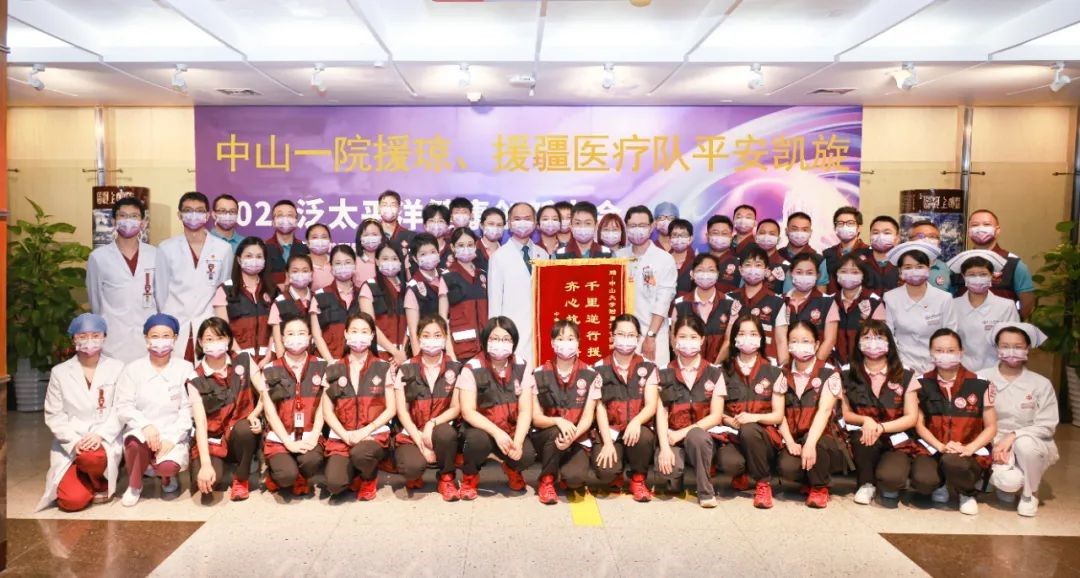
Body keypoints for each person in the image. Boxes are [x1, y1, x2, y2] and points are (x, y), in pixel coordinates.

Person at [37, 314, 125, 512]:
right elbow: (54, 414)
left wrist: (100, 435)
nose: (89, 341)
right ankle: (89, 479)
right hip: (72, 441)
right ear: (73, 339)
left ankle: (99, 479)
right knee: (72, 502)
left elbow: (120, 408)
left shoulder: (117, 368)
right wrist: (74, 441)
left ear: (104, 337)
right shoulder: (59, 372)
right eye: (82, 336)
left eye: (95, 335)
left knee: (91, 458)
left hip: (103, 438)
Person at [911, 329, 997, 515]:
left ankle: (966, 493)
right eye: (939, 350)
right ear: (931, 353)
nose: (945, 355)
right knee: (923, 481)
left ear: (961, 352)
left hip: (967, 451)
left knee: (953, 461)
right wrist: (941, 446)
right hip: (933, 448)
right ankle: (940, 484)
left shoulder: (981, 384)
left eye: (951, 350)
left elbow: (991, 427)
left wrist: (969, 448)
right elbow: (919, 425)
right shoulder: (920, 383)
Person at [980, 322, 1058, 517]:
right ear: (997, 348)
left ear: (1028, 348)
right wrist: (992, 445)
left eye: (1018, 346)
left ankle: (1030, 494)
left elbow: (1047, 425)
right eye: (1005, 346)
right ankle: (1002, 480)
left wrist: (1014, 435)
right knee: (1009, 482)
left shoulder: (1041, 384)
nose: (1011, 351)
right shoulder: (982, 378)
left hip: (1031, 442)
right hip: (994, 443)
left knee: (1024, 445)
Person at [115, 313, 194, 507]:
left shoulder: (185, 368)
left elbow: (188, 409)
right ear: (146, 338)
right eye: (155, 336)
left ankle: (167, 477)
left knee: (168, 466)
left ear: (175, 338)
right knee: (134, 444)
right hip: (142, 431)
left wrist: (172, 438)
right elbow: (124, 405)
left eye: (166, 336)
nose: (160, 341)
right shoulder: (132, 369)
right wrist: (145, 425)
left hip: (172, 431)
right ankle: (134, 485)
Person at [840, 321, 920, 505]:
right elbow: (846, 413)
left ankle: (887, 481)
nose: (873, 342)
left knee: (892, 479)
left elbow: (911, 417)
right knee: (863, 436)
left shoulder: (906, 374)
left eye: (878, 337)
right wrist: (865, 420)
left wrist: (881, 427)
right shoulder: (846, 373)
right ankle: (866, 484)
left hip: (897, 439)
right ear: (858, 343)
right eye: (867, 337)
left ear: (889, 342)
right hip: (865, 437)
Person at [457, 317, 537, 498]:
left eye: (506, 339)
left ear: (514, 342)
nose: (500, 343)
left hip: (510, 430)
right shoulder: (472, 367)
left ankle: (511, 468)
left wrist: (518, 442)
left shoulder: (522, 366)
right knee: (477, 442)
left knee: (527, 455)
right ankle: (470, 476)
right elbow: (468, 411)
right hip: (483, 430)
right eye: (495, 338)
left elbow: (525, 410)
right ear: (486, 340)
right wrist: (497, 433)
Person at [321, 312, 396, 501]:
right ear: (346, 333)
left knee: (362, 453)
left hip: (372, 435)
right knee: (334, 484)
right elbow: (327, 411)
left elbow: (391, 409)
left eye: (364, 331)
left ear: (372, 335)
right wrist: (345, 435)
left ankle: (368, 478)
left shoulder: (383, 367)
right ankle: (356, 472)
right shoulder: (333, 368)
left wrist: (365, 431)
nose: (359, 336)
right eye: (354, 331)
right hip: (342, 436)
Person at [654, 315, 726, 508]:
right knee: (669, 469)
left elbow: (716, 416)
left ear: (702, 340)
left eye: (693, 337)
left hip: (702, 438)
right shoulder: (663, 372)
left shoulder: (714, 372)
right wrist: (665, 447)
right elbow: (661, 413)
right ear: (674, 340)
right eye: (682, 337)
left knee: (696, 436)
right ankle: (676, 478)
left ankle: (705, 492)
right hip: (672, 437)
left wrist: (682, 433)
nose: (688, 342)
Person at [187, 318, 261, 502]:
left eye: (220, 337)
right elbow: (201, 423)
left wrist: (255, 414)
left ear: (228, 339)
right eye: (209, 339)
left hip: (238, 432)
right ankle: (216, 464)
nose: (215, 343)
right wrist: (205, 464)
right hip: (213, 439)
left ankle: (241, 478)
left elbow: (264, 392)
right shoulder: (195, 378)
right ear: (200, 342)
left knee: (246, 430)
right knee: (209, 484)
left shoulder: (244, 360)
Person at [717, 315, 786, 509]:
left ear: (762, 338)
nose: (747, 338)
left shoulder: (773, 372)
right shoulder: (722, 371)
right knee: (729, 463)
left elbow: (778, 415)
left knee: (749, 429)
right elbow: (716, 411)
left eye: (753, 334)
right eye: (742, 333)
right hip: (733, 435)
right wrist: (728, 420)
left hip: (764, 437)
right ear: (734, 338)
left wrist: (753, 418)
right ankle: (746, 472)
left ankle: (763, 484)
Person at [155, 191, 233, 362]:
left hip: (209, 323)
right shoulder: (166, 248)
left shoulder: (223, 249)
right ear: (179, 215)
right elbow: (160, 293)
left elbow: (223, 291)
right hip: (175, 322)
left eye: (199, 210)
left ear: (207, 216)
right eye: (188, 210)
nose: (193, 215)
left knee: (207, 372)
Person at [393, 315, 464, 501]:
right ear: (418, 338)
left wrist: (432, 423)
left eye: (437, 335)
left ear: (445, 337)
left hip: (441, 429)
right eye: (426, 335)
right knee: (411, 467)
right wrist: (420, 442)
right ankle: (414, 475)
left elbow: (456, 408)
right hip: (412, 432)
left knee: (446, 434)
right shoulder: (406, 368)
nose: (432, 340)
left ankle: (447, 477)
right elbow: (402, 411)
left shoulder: (456, 368)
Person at [777, 321, 848, 508]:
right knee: (786, 466)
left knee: (816, 445)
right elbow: (779, 413)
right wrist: (789, 442)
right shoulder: (781, 372)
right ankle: (808, 478)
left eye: (805, 341)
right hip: (795, 438)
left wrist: (809, 443)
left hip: (824, 438)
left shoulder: (829, 372)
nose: (799, 345)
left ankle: (819, 487)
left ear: (816, 344)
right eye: (794, 341)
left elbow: (825, 411)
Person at [531, 320, 602, 504]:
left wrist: (572, 436)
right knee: (557, 431)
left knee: (575, 479)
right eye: (560, 339)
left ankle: (561, 470)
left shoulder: (591, 375)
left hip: (576, 438)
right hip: (547, 436)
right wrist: (558, 421)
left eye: (571, 339)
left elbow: (587, 418)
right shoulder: (538, 374)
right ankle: (547, 481)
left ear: (578, 343)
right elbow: (536, 418)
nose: (566, 343)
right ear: (552, 343)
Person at [592, 315, 659, 502]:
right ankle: (616, 473)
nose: (625, 339)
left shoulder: (648, 367)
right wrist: (607, 442)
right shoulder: (598, 368)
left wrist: (636, 421)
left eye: (631, 335)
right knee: (605, 471)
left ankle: (638, 479)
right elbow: (599, 408)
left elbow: (651, 404)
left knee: (644, 436)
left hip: (637, 431)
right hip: (611, 431)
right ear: (612, 337)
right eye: (621, 334)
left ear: (638, 338)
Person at [258, 315, 327, 496]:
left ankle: (301, 475)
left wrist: (315, 435)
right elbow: (270, 412)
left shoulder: (322, 366)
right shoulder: (270, 369)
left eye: (301, 333)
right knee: (286, 476)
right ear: (282, 338)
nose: (296, 337)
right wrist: (288, 442)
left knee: (312, 461)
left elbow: (324, 406)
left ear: (310, 337)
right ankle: (277, 474)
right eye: (290, 333)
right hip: (281, 436)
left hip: (310, 433)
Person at [86, 197, 158, 363]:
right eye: (123, 216)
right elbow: (95, 302)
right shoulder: (98, 257)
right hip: (113, 343)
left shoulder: (155, 254)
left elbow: (161, 298)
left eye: (134, 216)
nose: (128, 221)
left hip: (148, 341)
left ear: (143, 223)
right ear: (113, 221)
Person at [883, 242, 959, 374]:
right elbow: (888, 335)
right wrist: (900, 364)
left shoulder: (944, 298)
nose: (914, 271)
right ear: (900, 271)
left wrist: (938, 362)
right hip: (902, 365)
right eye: (908, 267)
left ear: (928, 269)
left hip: (937, 365)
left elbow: (950, 335)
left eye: (919, 266)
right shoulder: (890, 297)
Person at [488, 202, 548, 366]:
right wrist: (497, 336)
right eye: (517, 219)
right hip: (511, 331)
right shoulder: (498, 257)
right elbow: (494, 302)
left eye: (527, 218)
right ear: (509, 223)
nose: (522, 222)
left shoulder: (542, 254)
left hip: (538, 333)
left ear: (535, 223)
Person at [617, 205, 678, 366]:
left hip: (652, 336)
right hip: (622, 335)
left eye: (642, 225)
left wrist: (650, 336)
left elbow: (663, 302)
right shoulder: (618, 257)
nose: (637, 230)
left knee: (653, 378)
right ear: (626, 227)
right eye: (632, 225)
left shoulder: (664, 259)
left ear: (652, 227)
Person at [948, 252, 1019, 371]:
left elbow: (1013, 344)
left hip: (996, 371)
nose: (978, 279)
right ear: (963, 276)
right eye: (972, 275)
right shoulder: (952, 305)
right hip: (960, 371)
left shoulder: (1006, 306)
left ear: (992, 276)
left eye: (983, 274)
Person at [212, 237, 276, 365]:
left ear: (265, 260)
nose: (254, 260)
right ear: (239, 260)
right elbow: (223, 331)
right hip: (236, 361)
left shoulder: (273, 290)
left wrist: (269, 357)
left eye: (259, 256)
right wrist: (243, 359)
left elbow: (276, 330)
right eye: (249, 256)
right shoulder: (225, 290)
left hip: (268, 362)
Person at [965, 209, 1035, 319]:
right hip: (965, 326)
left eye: (986, 224)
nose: (980, 228)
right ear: (968, 231)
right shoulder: (959, 263)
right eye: (975, 225)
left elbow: (1027, 303)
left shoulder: (1014, 263)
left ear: (997, 230)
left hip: (1003, 326)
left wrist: (1013, 323)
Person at [726, 245, 788, 365]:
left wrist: (783, 369)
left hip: (766, 367)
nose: (753, 269)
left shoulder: (777, 302)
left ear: (766, 271)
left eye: (758, 265)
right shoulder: (729, 299)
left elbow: (781, 341)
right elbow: (726, 339)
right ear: (740, 270)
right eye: (748, 265)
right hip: (734, 366)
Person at [669, 254, 735, 363]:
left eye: (711, 270)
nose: (705, 274)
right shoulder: (680, 304)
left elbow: (729, 341)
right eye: (700, 270)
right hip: (686, 366)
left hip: (719, 367)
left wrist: (713, 368)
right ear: (692, 274)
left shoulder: (730, 304)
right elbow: (673, 337)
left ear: (718, 274)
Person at [832, 254, 886, 366]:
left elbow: (880, 338)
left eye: (855, 272)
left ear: (863, 275)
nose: (849, 276)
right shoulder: (830, 301)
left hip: (865, 364)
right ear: (836, 274)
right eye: (843, 271)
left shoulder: (874, 302)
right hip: (836, 364)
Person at [360, 244, 410, 364]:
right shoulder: (369, 286)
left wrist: (402, 352)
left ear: (401, 262)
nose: (390, 262)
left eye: (394, 258)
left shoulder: (408, 288)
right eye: (385, 259)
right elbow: (369, 325)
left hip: (405, 355)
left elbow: (411, 325)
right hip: (378, 355)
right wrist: (395, 352)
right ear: (377, 261)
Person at [443, 227, 488, 362]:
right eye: (461, 245)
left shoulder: (483, 275)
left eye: (470, 245)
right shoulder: (447, 276)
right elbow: (442, 319)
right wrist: (450, 353)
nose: (466, 249)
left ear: (475, 246)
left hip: (486, 349)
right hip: (461, 351)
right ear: (452, 247)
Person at [784, 253, 839, 361]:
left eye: (809, 273)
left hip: (817, 364)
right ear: (790, 274)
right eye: (799, 272)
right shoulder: (780, 300)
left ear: (817, 275)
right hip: (786, 363)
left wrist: (814, 366)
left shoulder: (827, 302)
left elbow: (830, 340)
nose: (804, 276)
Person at [405, 233, 451, 357]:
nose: (429, 256)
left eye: (432, 252)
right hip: (428, 349)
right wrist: (417, 362)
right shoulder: (413, 287)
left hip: (452, 344)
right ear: (415, 259)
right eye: (423, 254)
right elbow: (413, 332)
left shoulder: (448, 276)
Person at [313, 245, 361, 361]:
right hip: (327, 361)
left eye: (347, 262)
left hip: (357, 361)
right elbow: (317, 336)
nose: (343, 267)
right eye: (338, 263)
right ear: (331, 267)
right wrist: (331, 362)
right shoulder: (319, 296)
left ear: (355, 265)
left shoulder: (363, 295)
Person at [269, 254, 320, 358]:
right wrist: (283, 364)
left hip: (316, 359)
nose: (300, 274)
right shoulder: (279, 303)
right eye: (295, 271)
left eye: (305, 271)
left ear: (311, 274)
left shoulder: (319, 299)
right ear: (287, 275)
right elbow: (278, 341)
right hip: (287, 360)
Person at [822, 206, 870, 293]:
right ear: (835, 228)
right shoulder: (827, 254)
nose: (845, 226)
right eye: (840, 223)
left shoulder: (869, 253)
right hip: (833, 300)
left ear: (859, 227)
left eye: (850, 223)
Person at [778, 211, 827, 293]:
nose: (799, 233)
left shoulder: (819, 260)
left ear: (810, 233)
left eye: (804, 230)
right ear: (786, 231)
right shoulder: (778, 255)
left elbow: (821, 294)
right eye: (794, 229)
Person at [264, 200, 309, 286]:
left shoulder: (305, 250)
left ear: (296, 222)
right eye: (280, 215)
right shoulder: (263, 249)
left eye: (290, 215)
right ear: (273, 222)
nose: (285, 219)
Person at [906, 220, 951, 292]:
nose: (926, 240)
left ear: (939, 242)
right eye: (920, 236)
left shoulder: (945, 268)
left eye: (932, 236)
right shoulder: (901, 268)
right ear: (909, 241)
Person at [704, 215, 741, 293]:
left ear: (731, 237)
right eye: (715, 233)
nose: (720, 237)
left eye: (724, 233)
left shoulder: (740, 264)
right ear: (707, 236)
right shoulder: (698, 262)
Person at [864, 216, 901, 295]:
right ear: (870, 236)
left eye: (887, 233)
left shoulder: (904, 263)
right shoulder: (858, 262)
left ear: (897, 238)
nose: (880, 236)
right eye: (875, 233)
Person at [754, 219, 788, 295]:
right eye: (762, 233)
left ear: (778, 239)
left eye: (772, 234)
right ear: (756, 237)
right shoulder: (746, 262)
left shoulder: (786, 265)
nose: (766, 237)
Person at [668, 219, 696, 294]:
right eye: (675, 235)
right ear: (669, 239)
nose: (679, 238)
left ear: (691, 239)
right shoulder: (663, 259)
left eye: (683, 235)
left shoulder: (697, 262)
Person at [353, 219, 382, 287]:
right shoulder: (354, 260)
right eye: (366, 235)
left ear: (382, 236)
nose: (370, 238)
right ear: (360, 238)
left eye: (374, 234)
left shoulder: (388, 259)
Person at [421, 203, 453, 267]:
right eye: (431, 221)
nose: (436, 224)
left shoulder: (453, 249)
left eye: (440, 221)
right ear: (425, 225)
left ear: (447, 226)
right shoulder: (418, 247)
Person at [306, 223, 336, 291]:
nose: (320, 241)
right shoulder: (301, 263)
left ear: (329, 241)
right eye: (315, 237)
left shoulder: (336, 262)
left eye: (324, 237)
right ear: (307, 243)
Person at [476, 207, 506, 271]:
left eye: (499, 225)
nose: (495, 228)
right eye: (491, 224)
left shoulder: (507, 253)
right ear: (481, 225)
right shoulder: (472, 250)